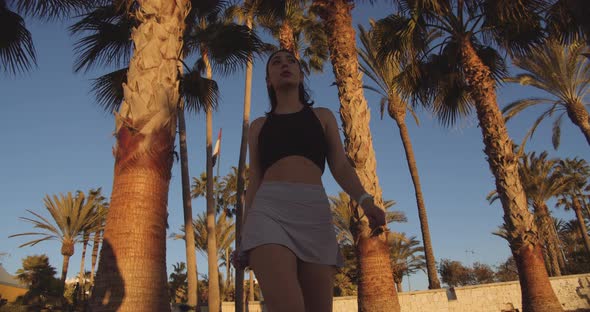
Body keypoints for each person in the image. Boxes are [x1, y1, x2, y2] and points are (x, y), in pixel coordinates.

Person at [233, 49, 386, 312]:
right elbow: (255, 179)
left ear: (301, 75)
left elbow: (339, 165)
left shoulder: (323, 117)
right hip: (269, 213)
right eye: (276, 63)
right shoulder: (259, 126)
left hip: (314, 215)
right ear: (268, 80)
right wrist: (244, 237)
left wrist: (365, 200)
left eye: (291, 61)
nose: (285, 65)